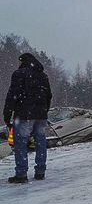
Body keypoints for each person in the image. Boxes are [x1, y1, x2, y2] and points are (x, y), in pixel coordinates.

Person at [3, 53, 52, 183]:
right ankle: (40, 171)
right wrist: (44, 111)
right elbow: (48, 95)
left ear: (23, 61)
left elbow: (12, 95)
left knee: (21, 144)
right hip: (40, 115)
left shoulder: (19, 74)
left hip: (24, 115)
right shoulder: (43, 76)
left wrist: (7, 115)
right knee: (40, 142)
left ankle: (21, 174)